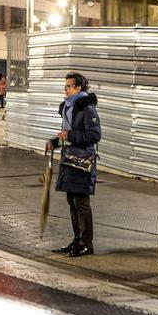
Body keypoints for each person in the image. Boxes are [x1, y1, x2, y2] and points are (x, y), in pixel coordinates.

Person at [50, 71, 102, 258]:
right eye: (64, 86)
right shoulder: (68, 107)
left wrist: (70, 136)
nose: (65, 90)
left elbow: (94, 135)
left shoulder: (86, 108)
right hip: (69, 158)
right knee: (72, 201)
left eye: (68, 86)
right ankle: (77, 240)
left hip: (82, 160)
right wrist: (54, 142)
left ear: (78, 88)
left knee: (81, 203)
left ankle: (87, 244)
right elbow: (67, 132)